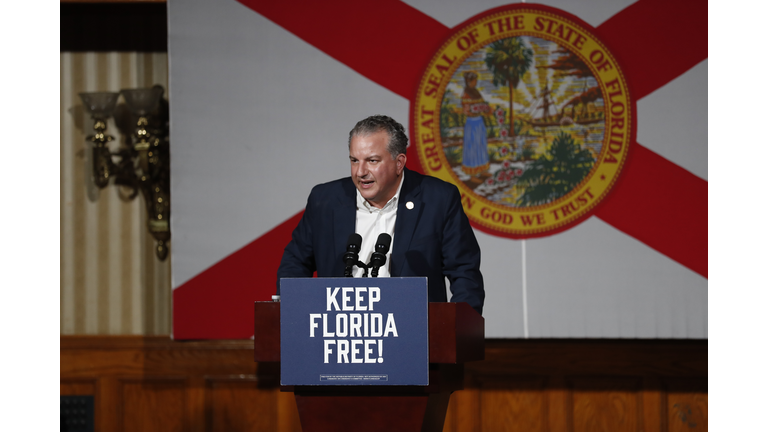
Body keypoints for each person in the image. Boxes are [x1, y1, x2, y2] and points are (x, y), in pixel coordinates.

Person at [276, 115, 485, 314]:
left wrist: (455, 331)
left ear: (399, 163)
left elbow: (464, 271)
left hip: (413, 332)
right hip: (341, 332)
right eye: (354, 160)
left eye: (372, 161)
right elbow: (295, 263)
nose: (360, 172)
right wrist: (295, 315)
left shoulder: (438, 199)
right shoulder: (325, 200)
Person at [461, 71, 490, 176]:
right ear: (469, 82)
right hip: (472, 123)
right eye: (474, 81)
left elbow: (483, 104)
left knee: (481, 145)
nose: (476, 82)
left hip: (479, 122)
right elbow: (466, 110)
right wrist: (473, 110)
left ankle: (482, 170)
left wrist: (486, 109)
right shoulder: (466, 93)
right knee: (472, 147)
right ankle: (472, 175)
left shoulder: (476, 92)